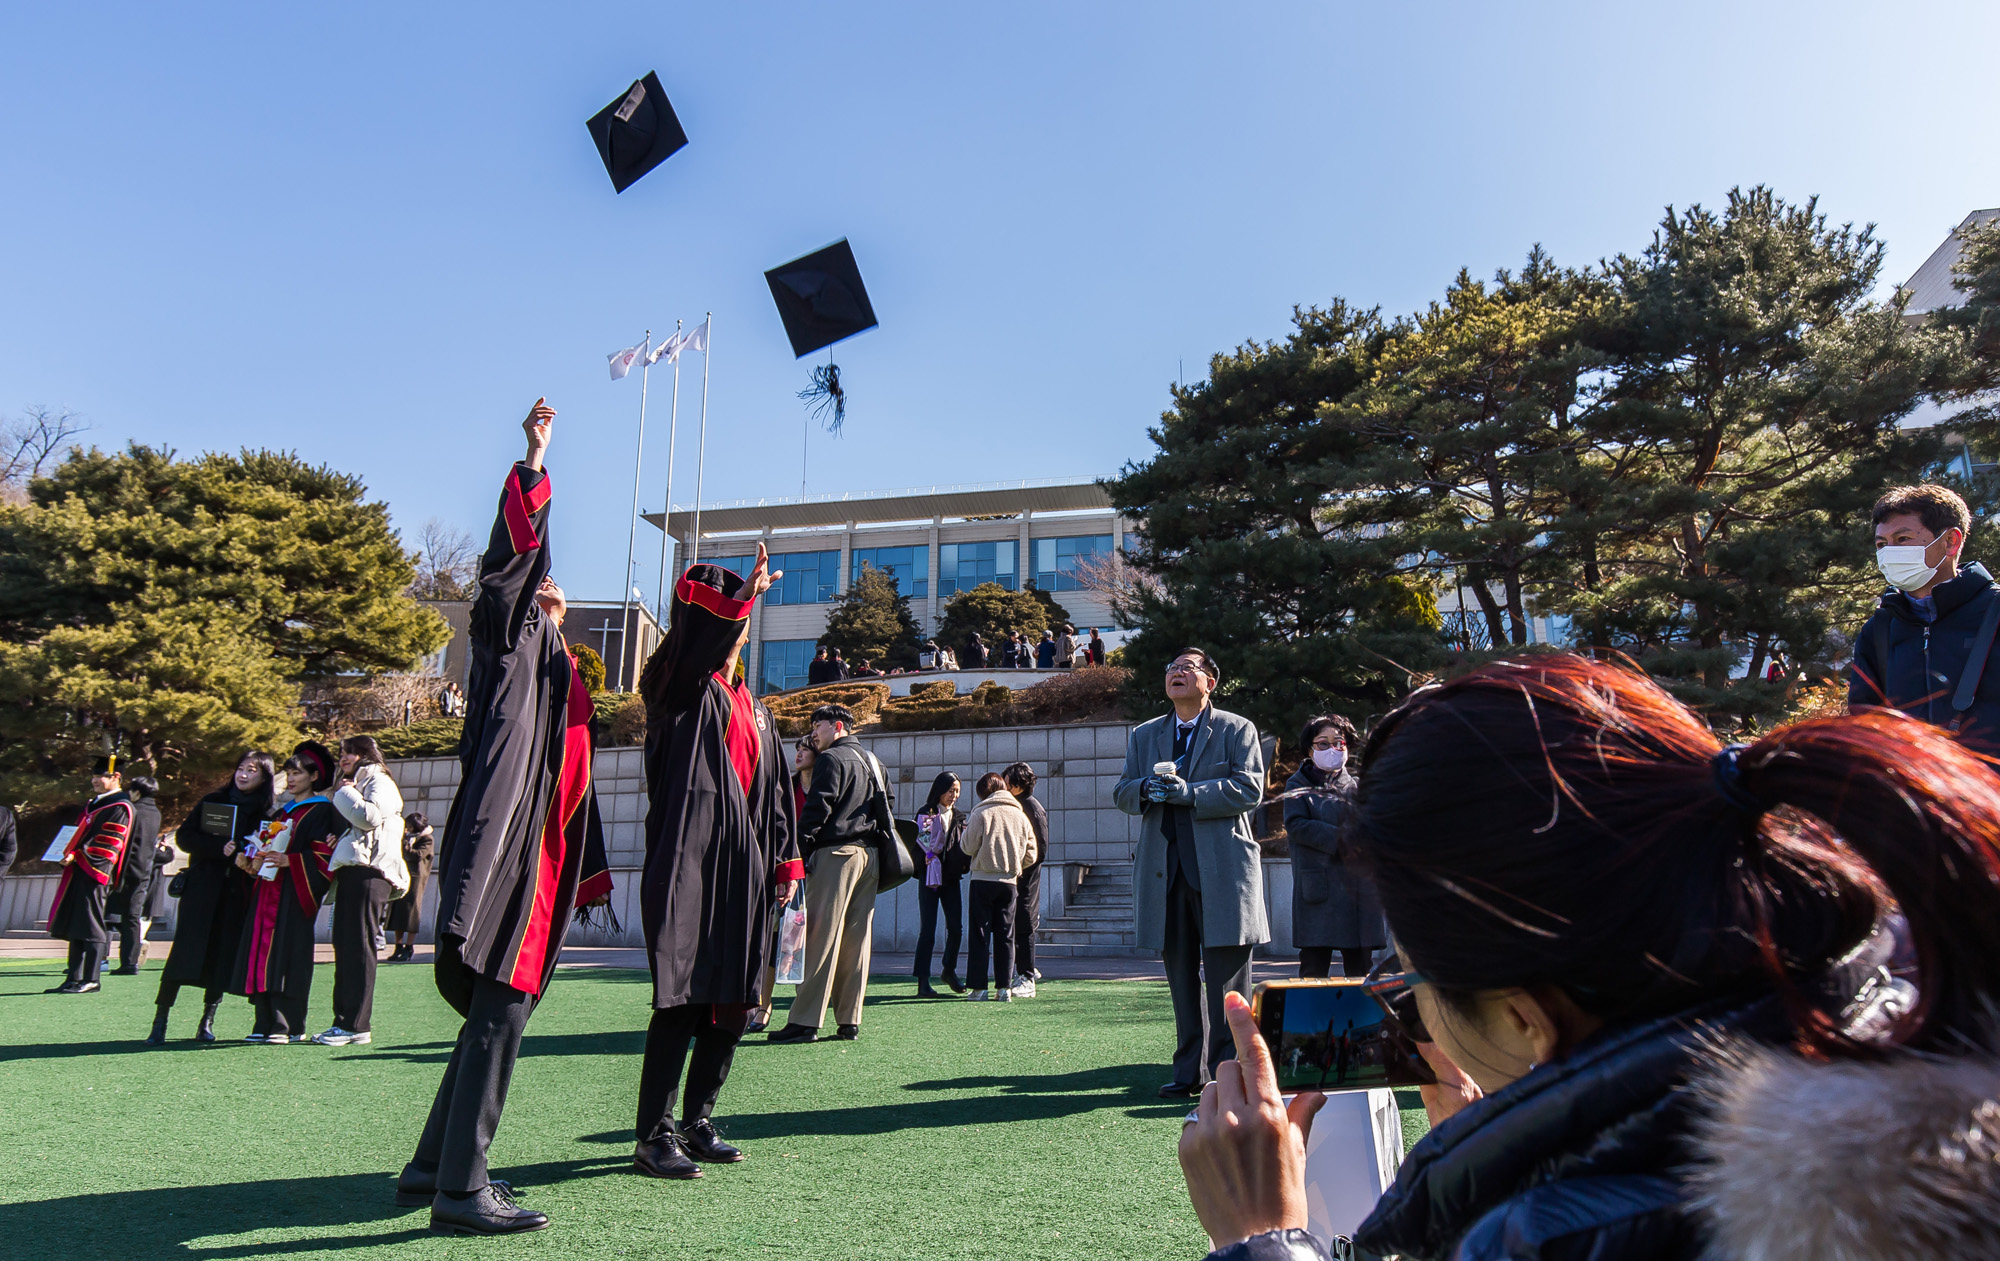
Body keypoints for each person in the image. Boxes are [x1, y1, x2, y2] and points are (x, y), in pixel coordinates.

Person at [1181, 652, 2000, 1260]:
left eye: (1409, 977)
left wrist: (1262, 1240)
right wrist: (1488, 1142)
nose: (1397, 997)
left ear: (1524, 1016)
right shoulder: (1918, 1000)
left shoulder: (1563, 1235)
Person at [398, 399, 613, 1236]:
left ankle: (432, 1165)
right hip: (506, 853)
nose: (551, 583)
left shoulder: (556, 666)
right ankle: (461, 1189)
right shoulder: (510, 650)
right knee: (504, 1004)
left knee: (501, 1003)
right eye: (542, 583)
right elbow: (510, 572)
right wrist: (534, 466)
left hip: (535, 853)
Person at [631, 549, 801, 1180]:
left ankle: (699, 1118)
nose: (742, 628)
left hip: (748, 867)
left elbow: (777, 791)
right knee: (683, 997)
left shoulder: (756, 706)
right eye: (732, 618)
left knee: (734, 998)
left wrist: (784, 862)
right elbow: (699, 645)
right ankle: (654, 1133)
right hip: (691, 859)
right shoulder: (678, 685)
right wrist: (746, 595)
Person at [1113, 647, 1265, 1098]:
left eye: (1187, 669)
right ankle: (1188, 1072)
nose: (1177, 674)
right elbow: (1122, 791)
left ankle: (1229, 1075)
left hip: (1222, 870)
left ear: (1210, 683)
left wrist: (1191, 792)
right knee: (1180, 977)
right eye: (1171, 668)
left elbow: (1249, 788)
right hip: (1166, 872)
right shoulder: (1145, 735)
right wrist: (1146, 788)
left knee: (1228, 981)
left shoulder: (1237, 728)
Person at [1848, 482, 2000, 754]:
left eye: (1902, 539)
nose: (1887, 553)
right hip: (1916, 793)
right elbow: (1865, 726)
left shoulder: (1995, 613)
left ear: (1950, 542)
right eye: (1881, 544)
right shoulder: (1879, 629)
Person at [771, 703, 887, 1044]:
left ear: (837, 726)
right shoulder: (874, 762)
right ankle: (849, 1020)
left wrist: (796, 854)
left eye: (817, 726)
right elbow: (888, 804)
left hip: (834, 854)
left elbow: (816, 810)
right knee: (857, 940)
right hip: (870, 857)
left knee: (820, 937)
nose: (813, 734)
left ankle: (806, 1021)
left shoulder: (831, 760)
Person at [149, 751, 274, 1044]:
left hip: (235, 894)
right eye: (240, 768)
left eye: (251, 770)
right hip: (201, 891)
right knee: (183, 953)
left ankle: (207, 1021)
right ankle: (160, 1021)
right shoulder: (213, 801)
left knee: (220, 955)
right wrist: (219, 847)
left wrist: (246, 852)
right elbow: (185, 838)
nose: (243, 775)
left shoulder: (267, 814)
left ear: (264, 777)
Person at [231, 740, 343, 1042]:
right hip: (267, 891)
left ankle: (288, 1024)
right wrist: (251, 856)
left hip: (294, 893)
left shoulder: (321, 811)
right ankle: (263, 1021)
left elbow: (323, 856)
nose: (291, 779)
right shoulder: (281, 813)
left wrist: (289, 860)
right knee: (261, 954)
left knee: (287, 955)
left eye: (298, 774)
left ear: (314, 777)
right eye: (288, 773)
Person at [315, 735, 409, 1047]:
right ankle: (344, 1023)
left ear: (365, 754)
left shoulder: (377, 778)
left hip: (370, 872)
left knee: (357, 945)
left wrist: (342, 791)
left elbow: (368, 818)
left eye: (350, 752)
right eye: (341, 753)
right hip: (357, 869)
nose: (343, 758)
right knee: (346, 944)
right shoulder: (360, 782)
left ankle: (354, 1024)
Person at [1280, 715, 1383, 979]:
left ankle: (1365, 1021)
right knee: (1314, 967)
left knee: (1361, 969)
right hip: (1318, 889)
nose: (1332, 749)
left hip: (1356, 889)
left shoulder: (1358, 786)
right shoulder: (1297, 784)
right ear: (1309, 749)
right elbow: (1298, 825)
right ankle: (1311, 1021)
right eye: (1323, 743)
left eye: (1339, 742)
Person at [45, 756, 137, 994]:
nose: (95, 780)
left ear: (116, 777)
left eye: (101, 776)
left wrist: (77, 855)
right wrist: (66, 852)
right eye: (94, 775)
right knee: (77, 924)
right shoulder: (94, 804)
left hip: (96, 872)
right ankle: (73, 977)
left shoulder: (120, 807)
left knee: (92, 924)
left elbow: (109, 843)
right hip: (79, 871)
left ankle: (92, 978)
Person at [750, 737, 820, 1034]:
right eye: (798, 749)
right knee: (775, 939)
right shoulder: (786, 789)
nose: (800, 753)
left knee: (804, 943)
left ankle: (801, 1012)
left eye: (806, 749)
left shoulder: (825, 787)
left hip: (818, 873)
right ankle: (762, 1007)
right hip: (787, 872)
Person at [958, 772, 1036, 1001]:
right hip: (1009, 881)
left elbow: (968, 847)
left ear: (983, 791)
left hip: (982, 879)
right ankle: (1004, 988)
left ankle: (979, 988)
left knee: (980, 934)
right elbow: (1032, 853)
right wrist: (1015, 864)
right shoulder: (1020, 815)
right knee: (1006, 935)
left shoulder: (980, 812)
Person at [912, 772, 967, 997]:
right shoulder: (927, 812)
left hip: (951, 877)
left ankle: (949, 970)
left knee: (956, 927)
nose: (953, 795)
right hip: (930, 878)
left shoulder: (960, 817)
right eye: (950, 790)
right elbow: (920, 844)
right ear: (940, 790)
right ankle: (923, 980)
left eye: (957, 791)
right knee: (928, 930)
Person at [108, 774, 163, 975]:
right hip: (144, 871)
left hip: (123, 871)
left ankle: (97, 959)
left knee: (107, 916)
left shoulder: (132, 811)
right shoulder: (155, 813)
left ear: (137, 792)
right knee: (131, 917)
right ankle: (130, 962)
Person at [1001, 762, 1046, 994]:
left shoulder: (1031, 808)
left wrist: (1021, 868)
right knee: (1017, 924)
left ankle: (1027, 976)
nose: (1005, 786)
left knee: (1025, 923)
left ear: (1019, 785)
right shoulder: (1015, 805)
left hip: (1026, 878)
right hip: (1015, 876)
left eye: (1008, 783)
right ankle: (1024, 970)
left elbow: (1041, 850)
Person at [387, 812, 435, 963]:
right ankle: (398, 946)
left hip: (416, 880)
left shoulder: (427, 838)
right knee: (397, 911)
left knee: (411, 913)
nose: (407, 829)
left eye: (409, 826)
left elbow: (417, 855)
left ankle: (409, 946)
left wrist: (405, 845)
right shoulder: (408, 838)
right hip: (401, 876)